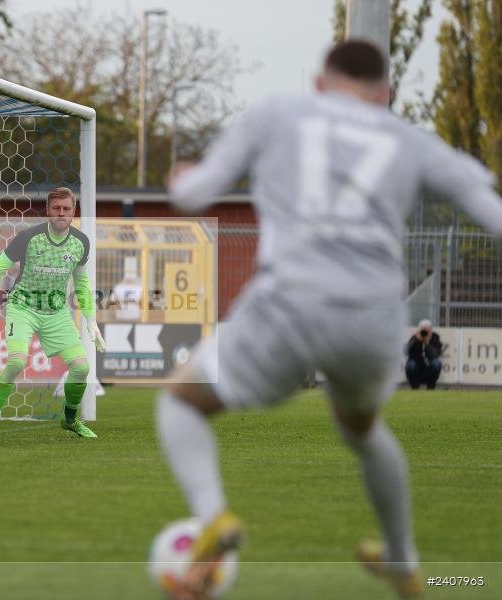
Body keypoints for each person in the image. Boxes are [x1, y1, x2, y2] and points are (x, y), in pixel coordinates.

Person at [157, 39, 502, 599]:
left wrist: (183, 178)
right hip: (372, 316)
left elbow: (194, 197)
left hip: (289, 302)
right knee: (363, 431)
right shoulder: (408, 139)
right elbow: (490, 211)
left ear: (319, 83)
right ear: (384, 96)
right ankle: (401, 557)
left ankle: (214, 516)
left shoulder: (276, 112)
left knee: (181, 402)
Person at [0, 187, 105, 441]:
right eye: (56, 208)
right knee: (17, 363)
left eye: (66, 209)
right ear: (48, 210)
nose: (61, 213)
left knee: (81, 368)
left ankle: (71, 420)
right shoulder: (29, 238)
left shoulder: (81, 243)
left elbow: (82, 283)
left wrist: (91, 318)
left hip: (56, 313)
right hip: (23, 308)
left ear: (73, 212)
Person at [405, 320, 442, 390]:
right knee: (410, 365)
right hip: (417, 367)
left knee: (437, 363)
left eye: (427, 330)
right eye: (423, 330)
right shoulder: (415, 337)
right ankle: (415, 388)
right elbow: (407, 351)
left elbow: (436, 354)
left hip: (429, 368)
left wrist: (427, 342)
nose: (425, 333)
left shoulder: (435, 337)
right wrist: (415, 340)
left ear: (431, 330)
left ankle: (431, 388)